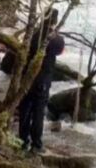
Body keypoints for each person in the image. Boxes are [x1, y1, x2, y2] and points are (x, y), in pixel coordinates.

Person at [18, 9, 65, 152]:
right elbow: (60, 51)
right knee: (38, 112)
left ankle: (22, 140)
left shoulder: (33, 33)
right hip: (43, 79)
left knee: (25, 109)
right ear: (55, 21)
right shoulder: (56, 38)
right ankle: (36, 144)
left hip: (28, 76)